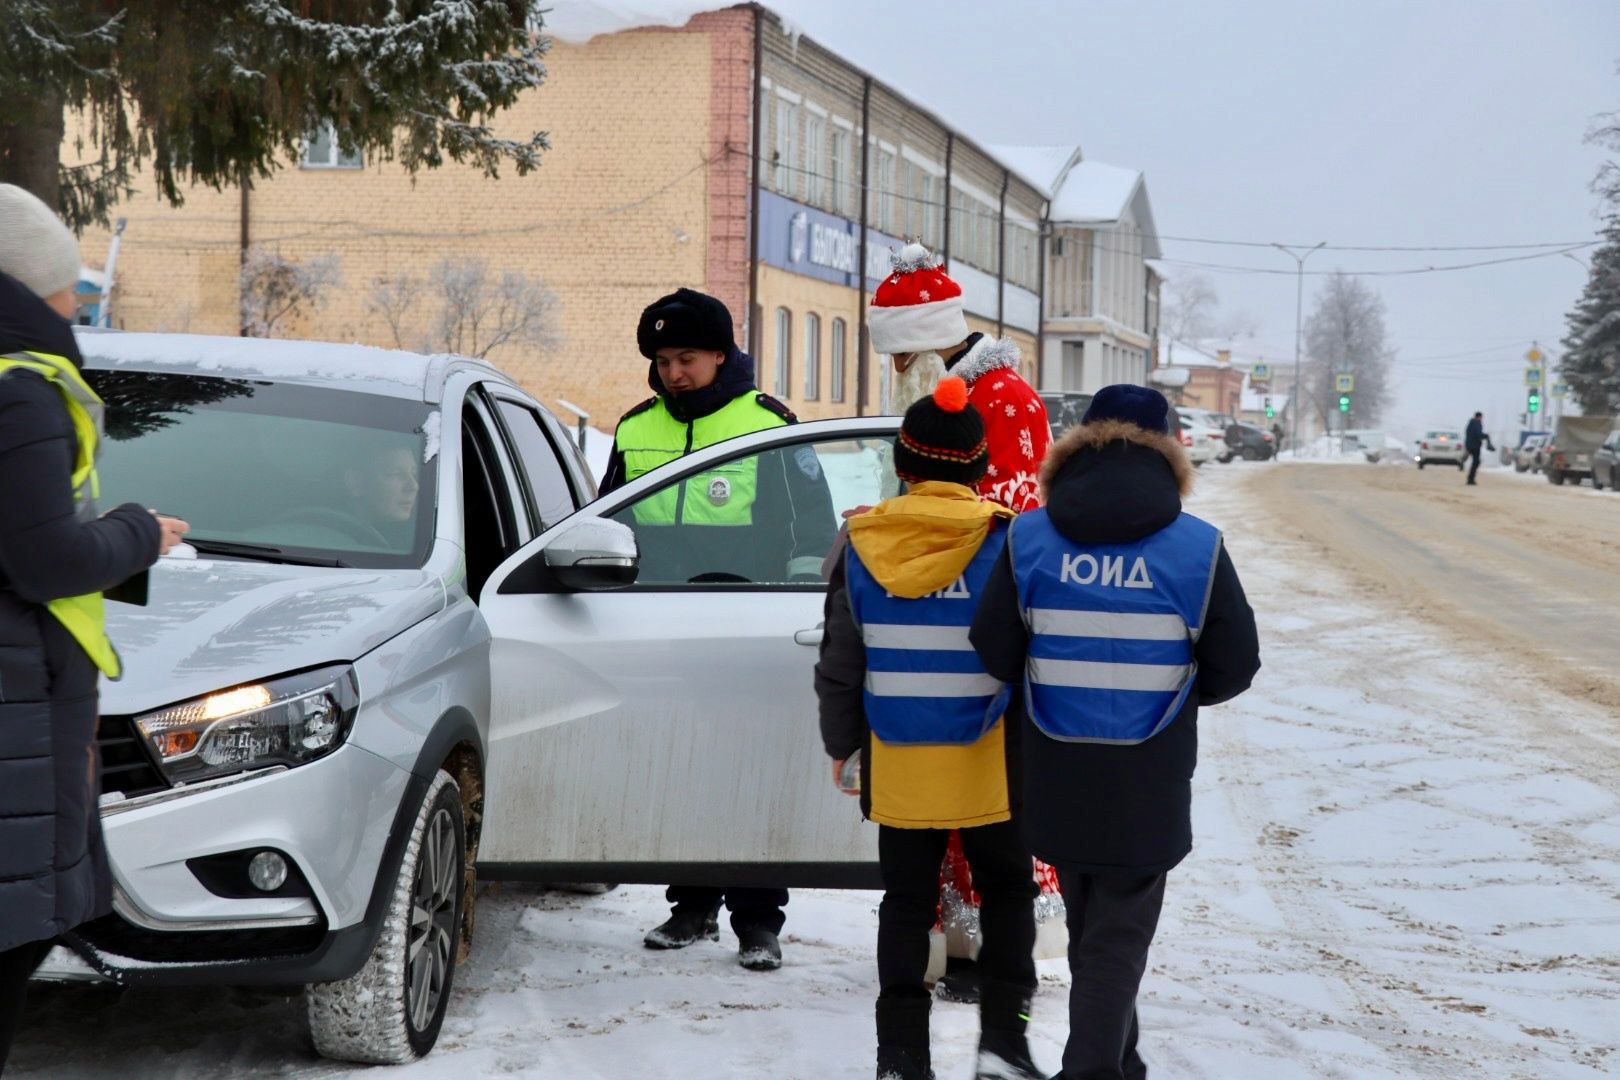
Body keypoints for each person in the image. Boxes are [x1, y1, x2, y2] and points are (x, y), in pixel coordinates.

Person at [970, 385, 1260, 1080]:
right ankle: (1094, 1069)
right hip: (1147, 774)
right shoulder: (1197, 548)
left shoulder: (1030, 537)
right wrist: (1178, 695)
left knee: (1093, 928)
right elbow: (1235, 663)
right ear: (1167, 452)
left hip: (1056, 764)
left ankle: (1119, 1060)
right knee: (1117, 937)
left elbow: (993, 645)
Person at [0, 184, 188, 1070]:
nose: (79, 300)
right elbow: (43, 559)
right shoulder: (22, 391)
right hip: (16, 713)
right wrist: (140, 532)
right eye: (66, 284)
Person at [817, 377, 1044, 1080]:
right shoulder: (1009, 544)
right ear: (978, 469)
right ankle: (1005, 1042)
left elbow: (840, 661)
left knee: (907, 905)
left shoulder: (860, 542)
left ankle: (901, 1056)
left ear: (903, 465)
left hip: (899, 752)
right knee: (1008, 896)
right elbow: (1031, 655)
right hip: (992, 758)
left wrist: (842, 743)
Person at [604, 287, 832, 971]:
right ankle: (691, 908)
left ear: (721, 354)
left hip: (748, 629)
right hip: (661, 626)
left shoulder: (767, 422)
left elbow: (812, 528)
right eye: (665, 359)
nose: (675, 372)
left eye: (689, 358)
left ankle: (759, 921)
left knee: (748, 774)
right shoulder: (635, 427)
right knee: (681, 768)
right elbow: (608, 524)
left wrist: (794, 607)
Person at [868, 242, 1062, 1003]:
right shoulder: (955, 394)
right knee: (951, 812)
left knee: (988, 817)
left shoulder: (1006, 399)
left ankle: (989, 959)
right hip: (942, 628)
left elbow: (1009, 522)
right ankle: (958, 948)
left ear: (931, 342)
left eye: (902, 353)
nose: (895, 371)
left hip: (985, 630)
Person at [1464, 411, 1494, 486]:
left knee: (1475, 461)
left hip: (1470, 445)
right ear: (1479, 417)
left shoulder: (1470, 423)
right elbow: (1478, 434)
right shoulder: (1477, 424)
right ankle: (1470, 479)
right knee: (1476, 462)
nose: (1481, 419)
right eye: (1481, 417)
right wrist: (1486, 436)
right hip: (1475, 446)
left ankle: (1470, 477)